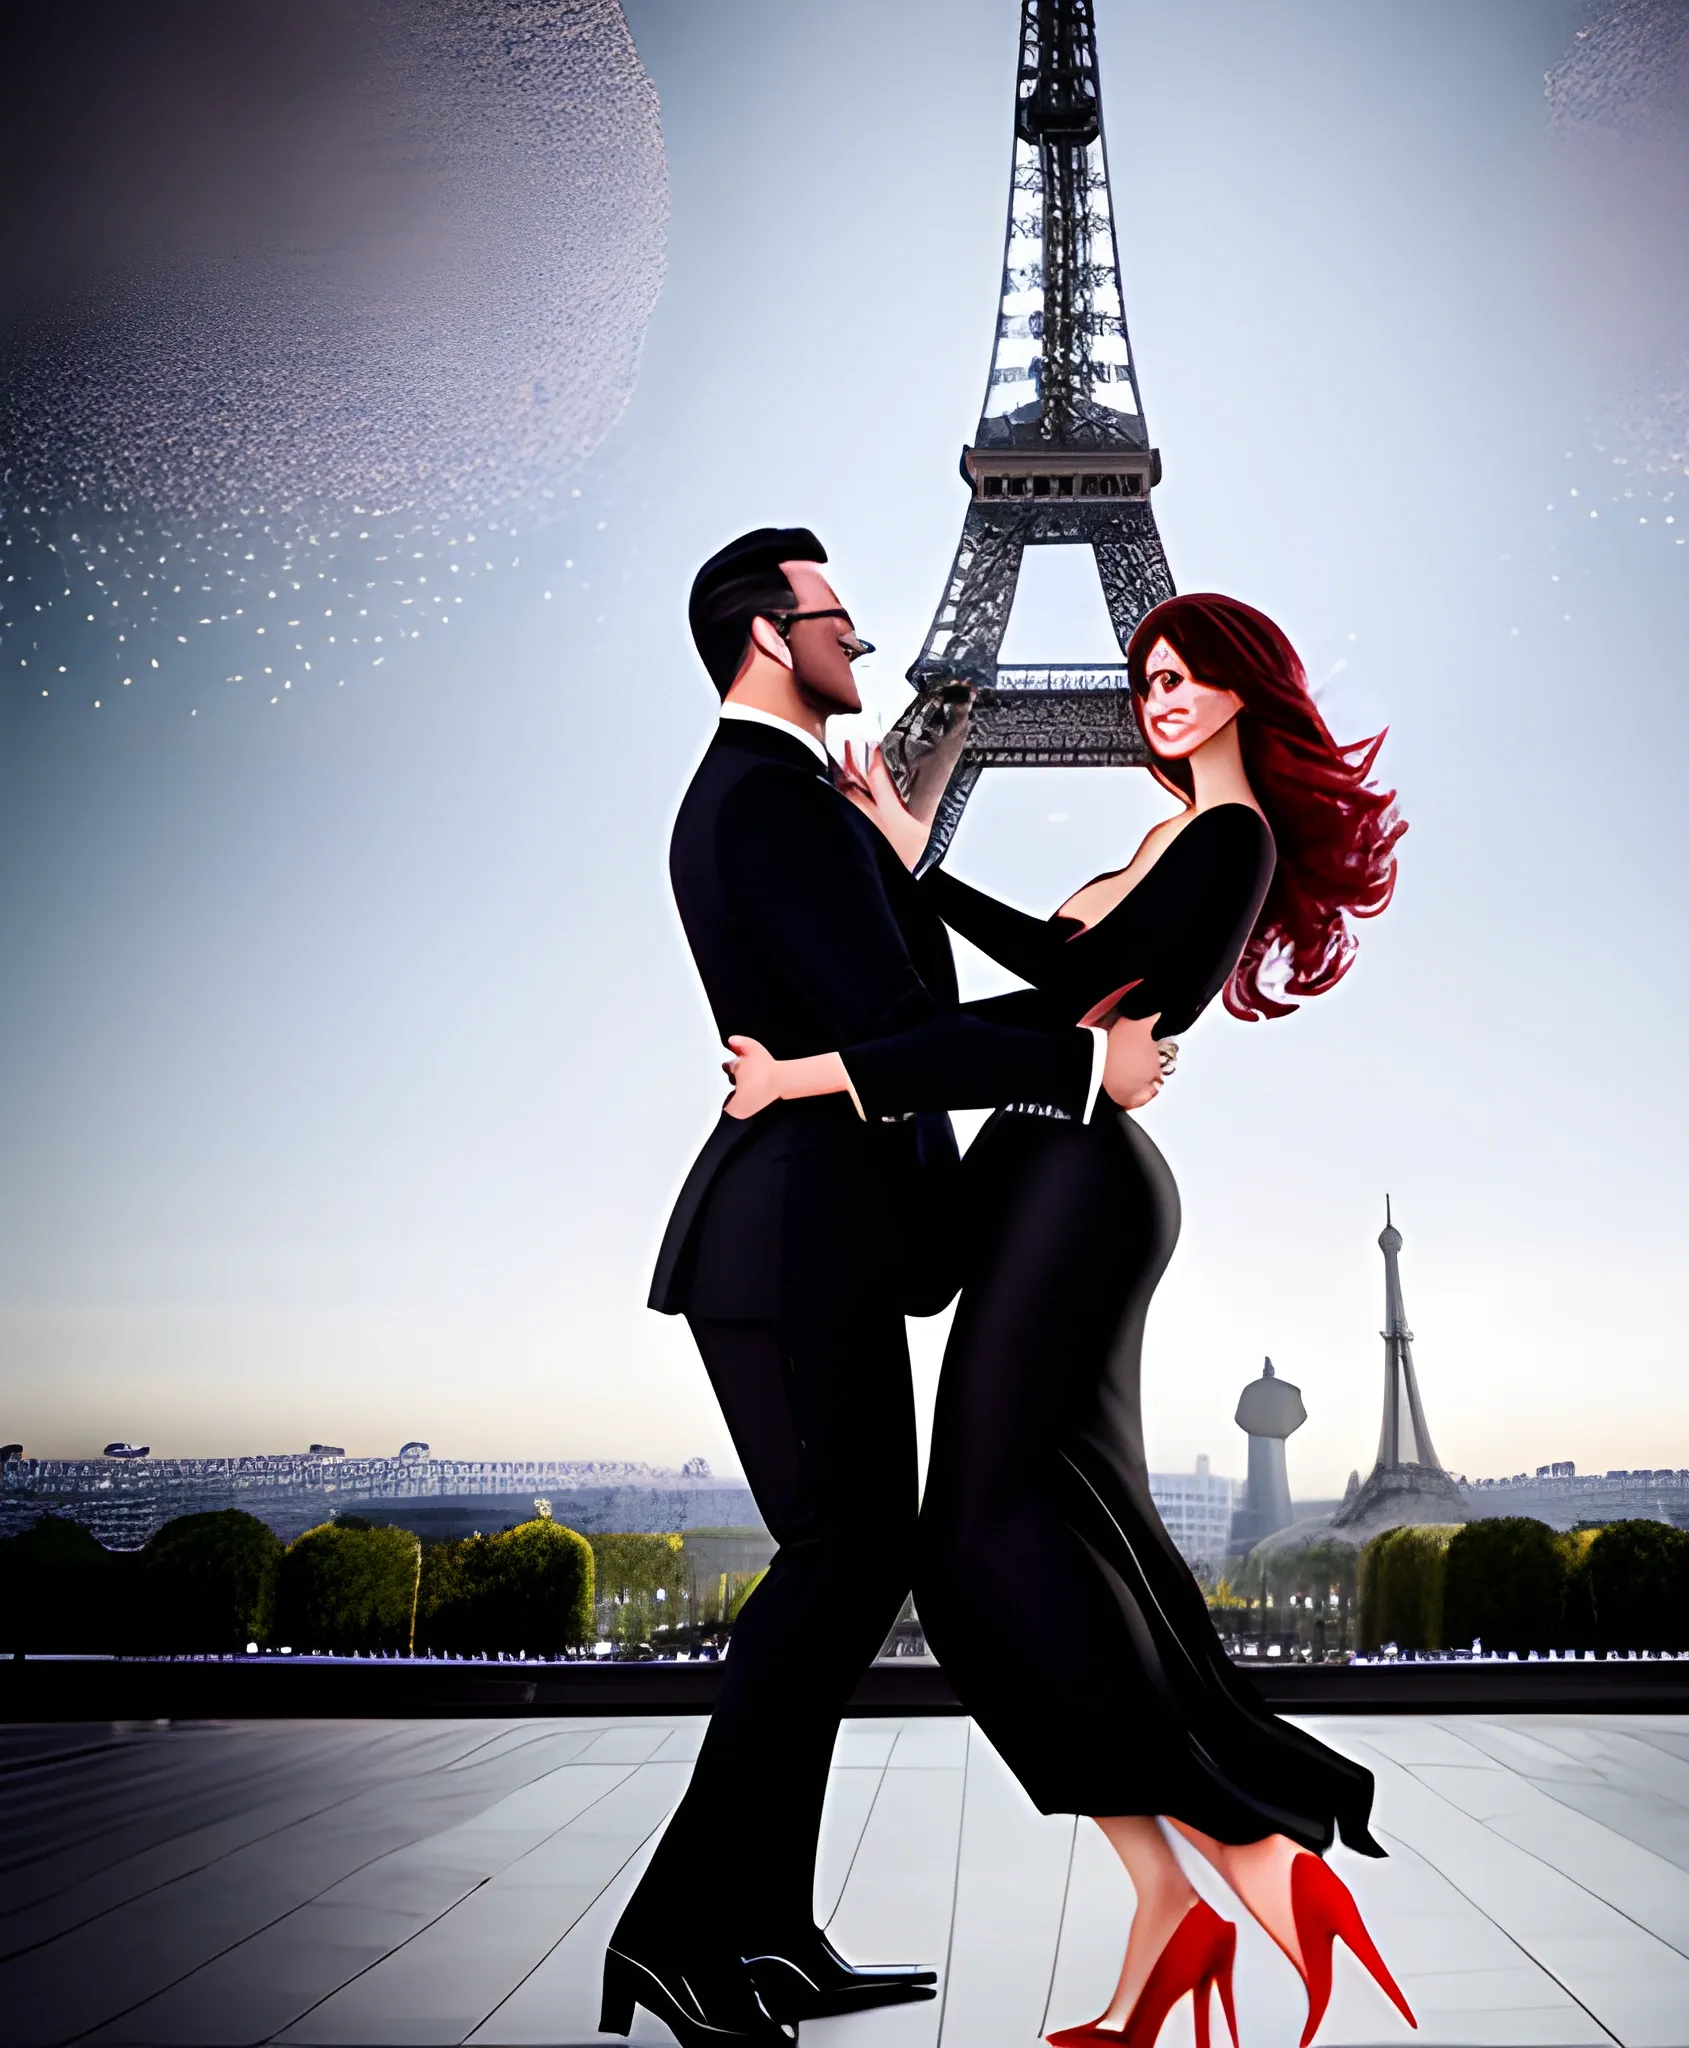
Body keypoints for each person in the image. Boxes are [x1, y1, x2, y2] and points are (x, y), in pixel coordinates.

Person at [727, 593, 1416, 2047]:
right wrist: (918, 868)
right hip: (1060, 1176)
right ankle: (1174, 1908)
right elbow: (1058, 988)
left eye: (1189, 675)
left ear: (1248, 690)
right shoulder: (1181, 838)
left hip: (1079, 1188)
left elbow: (1057, 1018)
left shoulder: (1231, 839)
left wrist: (818, 1062)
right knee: (1064, 1526)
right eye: (1148, 677)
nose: (1160, 697)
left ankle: (1248, 1857)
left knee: (983, 1538)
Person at [607, 528, 1165, 2045]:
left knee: (851, 1569)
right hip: (791, 1241)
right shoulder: (767, 805)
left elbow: (891, 1008)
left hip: (821, 1233)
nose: (863, 638)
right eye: (835, 618)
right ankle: (674, 1934)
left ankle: (766, 1932)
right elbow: (900, 1027)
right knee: (840, 1566)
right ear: (766, 639)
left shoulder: (793, 801)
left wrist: (912, 864)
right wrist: (1073, 1062)